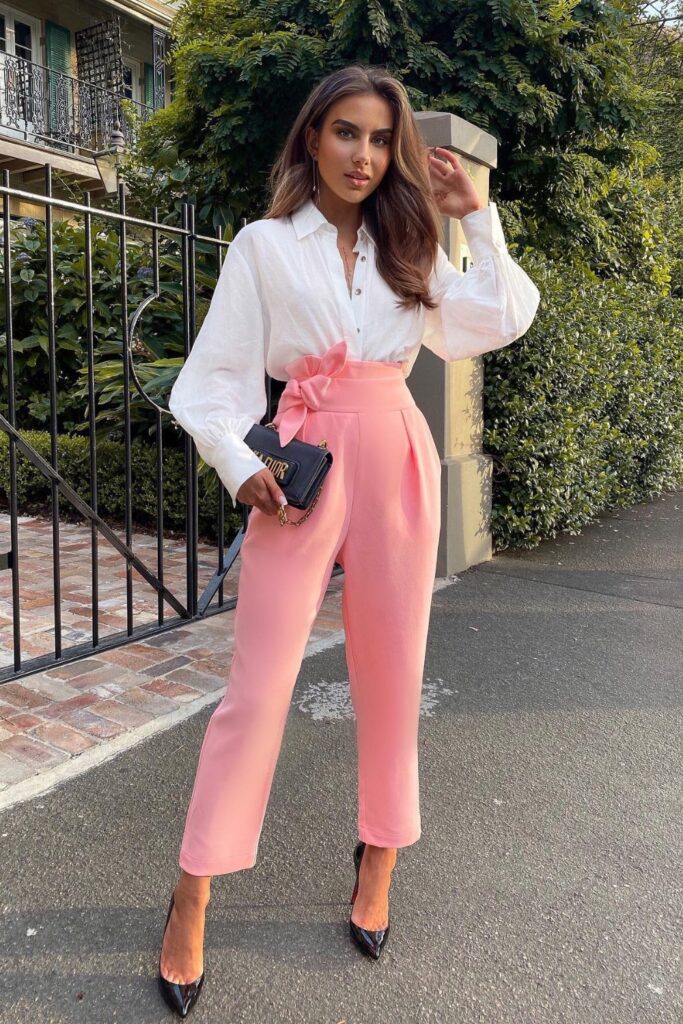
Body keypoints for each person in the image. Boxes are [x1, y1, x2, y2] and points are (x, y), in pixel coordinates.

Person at [158, 63, 540, 1017]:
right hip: (299, 466)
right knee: (257, 687)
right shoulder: (262, 247)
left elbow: (494, 320)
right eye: (345, 134)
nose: (363, 156)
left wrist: (475, 214)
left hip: (395, 458)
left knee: (390, 673)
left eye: (379, 139)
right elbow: (210, 384)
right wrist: (236, 462)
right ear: (311, 140)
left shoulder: (412, 242)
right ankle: (192, 889)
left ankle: (379, 854)